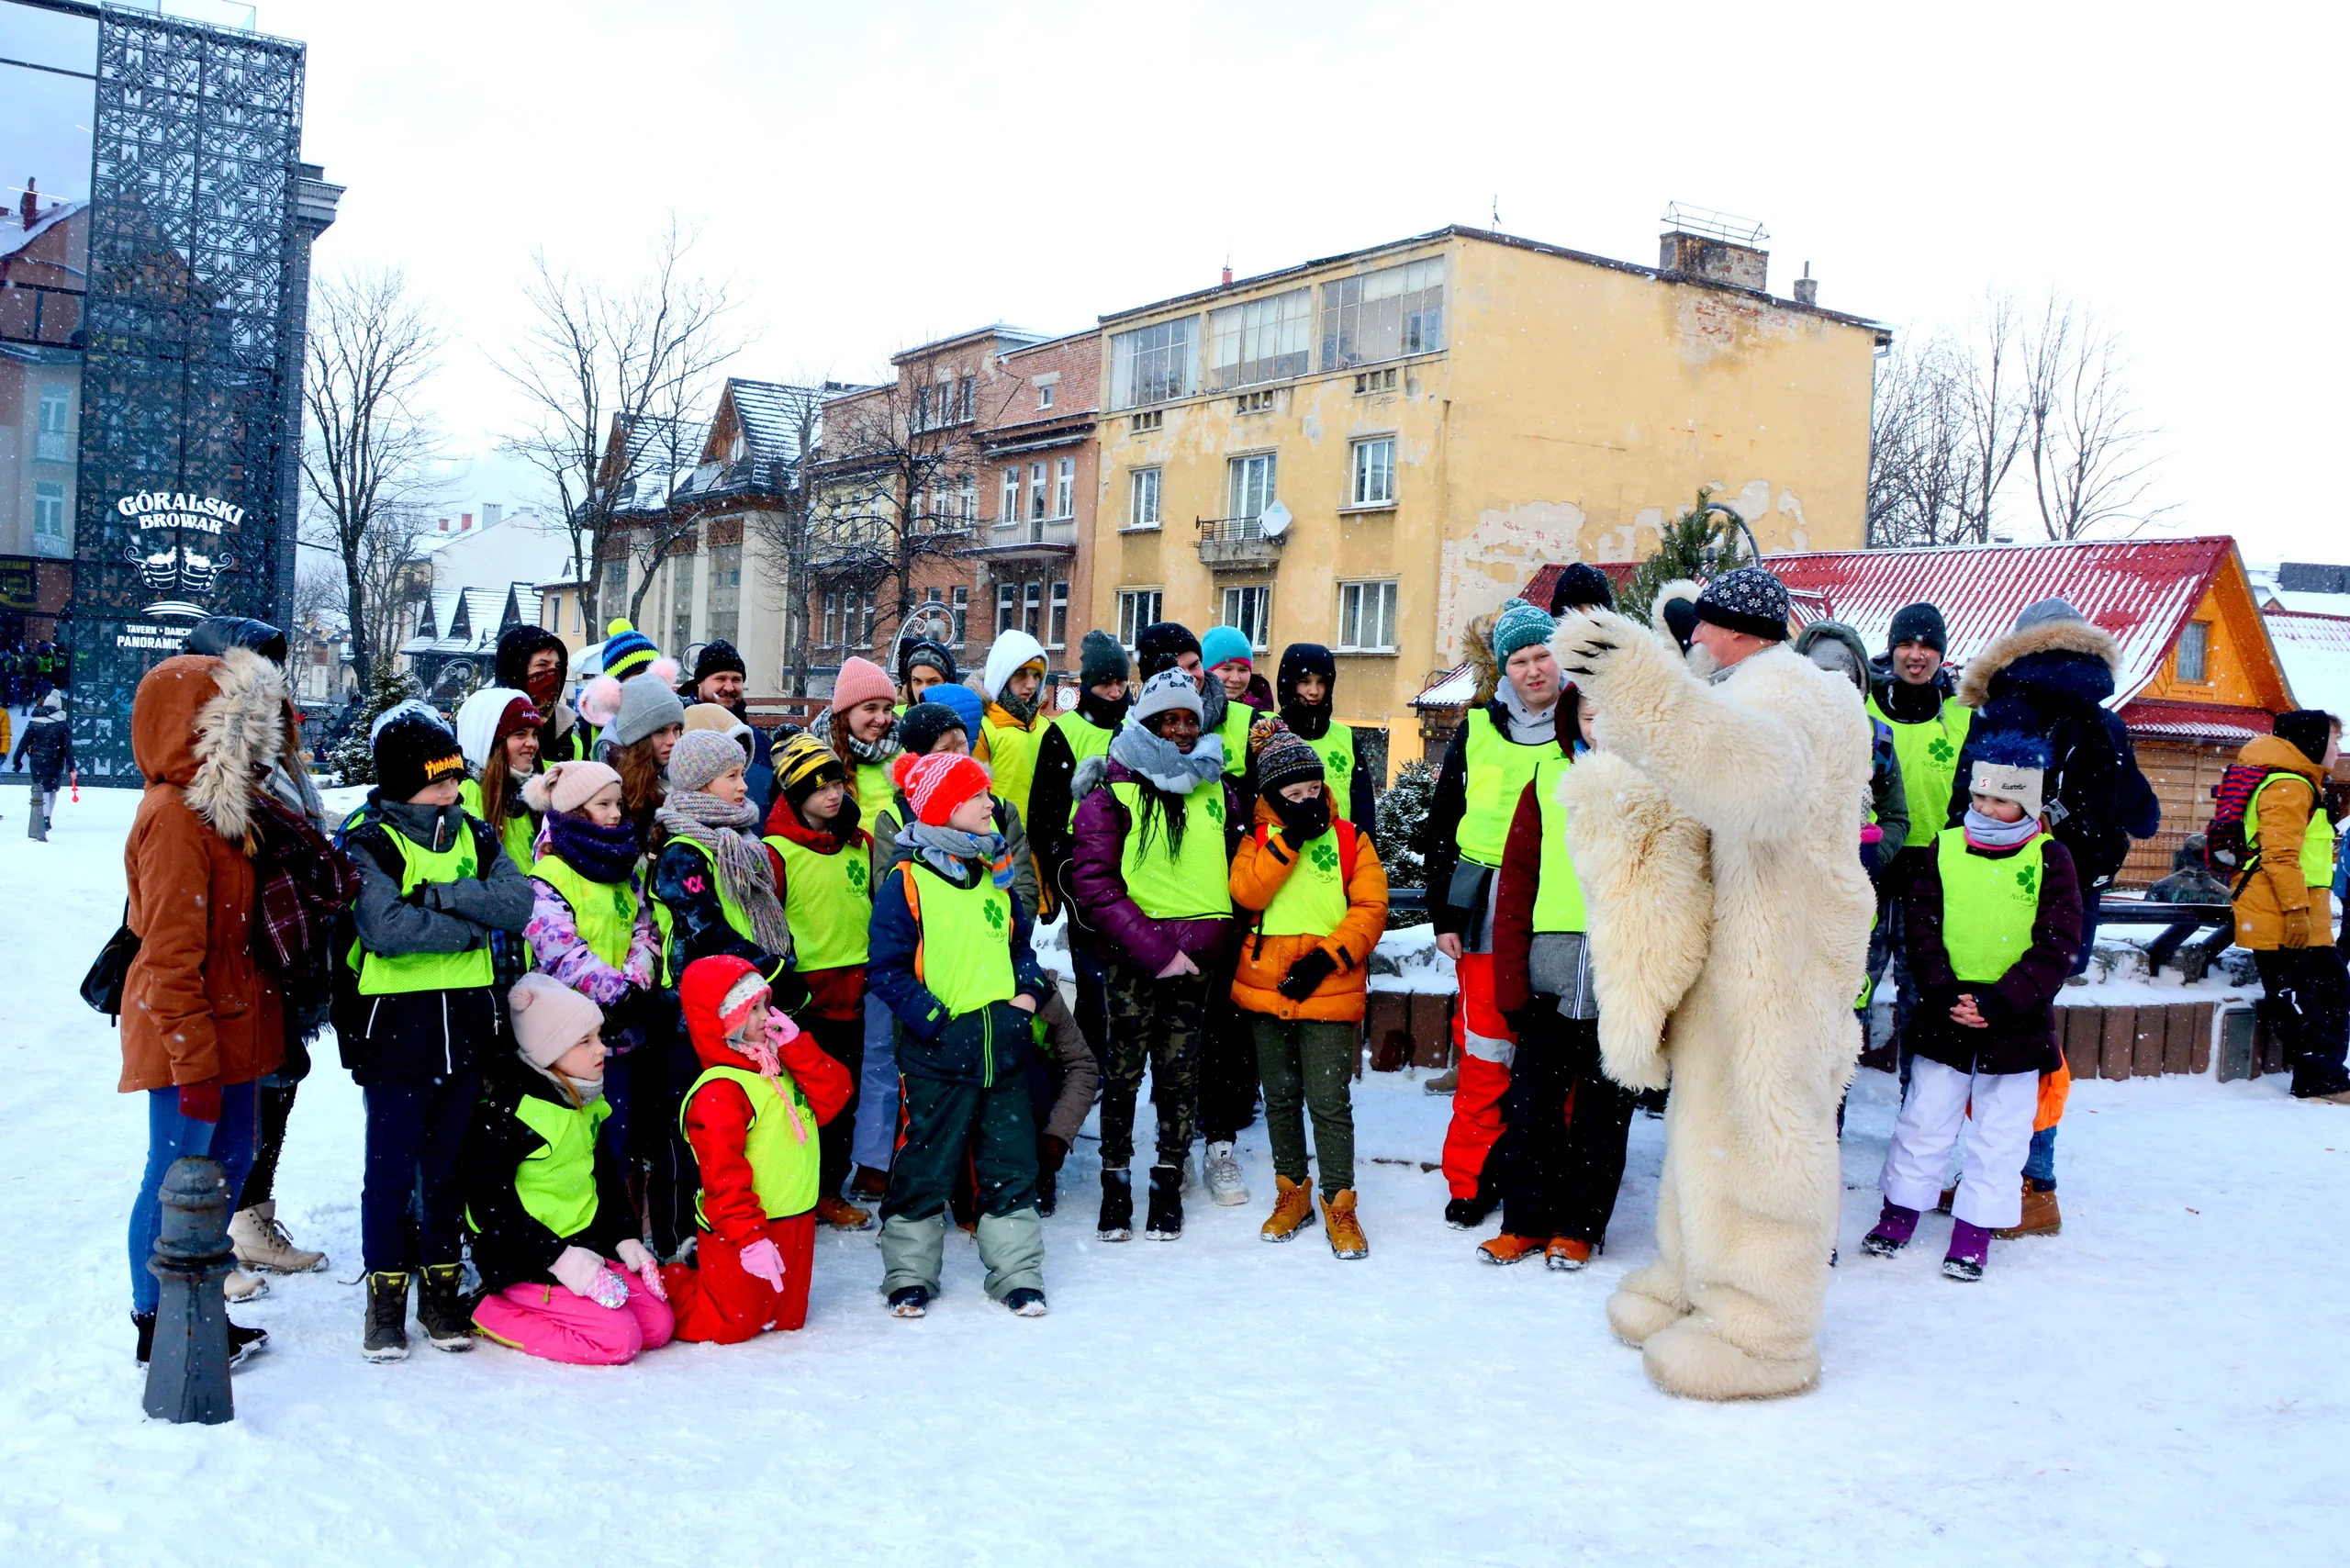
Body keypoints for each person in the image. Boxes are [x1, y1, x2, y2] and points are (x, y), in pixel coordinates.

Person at [1552, 569, 1874, 1399]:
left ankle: (1765, 1331)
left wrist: (1639, 688)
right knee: (1707, 1116)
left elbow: (1754, 784)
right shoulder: (1758, 682)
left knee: (1769, 1126)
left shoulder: (1795, 692)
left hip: (1781, 951)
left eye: (1698, 630)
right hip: (1735, 942)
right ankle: (1697, 1281)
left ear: (1727, 630)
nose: (1690, 641)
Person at [339, 707, 535, 1361]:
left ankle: (443, 1290)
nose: (452, 791)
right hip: (396, 1027)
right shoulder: (371, 839)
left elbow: (517, 904)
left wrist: (446, 899)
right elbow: (386, 930)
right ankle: (386, 1297)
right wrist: (472, 927)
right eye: (436, 782)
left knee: (447, 1165)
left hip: (468, 1023)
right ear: (402, 784)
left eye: (455, 777)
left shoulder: (474, 834)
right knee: (390, 1169)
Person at [1950, 598, 2161, 1196]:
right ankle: (2033, 1177)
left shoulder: (2003, 712)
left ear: (2020, 646)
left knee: (1987, 1028)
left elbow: (1973, 809)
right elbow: (2145, 817)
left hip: (1999, 896)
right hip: (2075, 904)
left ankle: (2002, 1172)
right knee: (2033, 1026)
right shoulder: (2108, 720)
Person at [121, 644, 291, 1368]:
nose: (256, 744)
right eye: (239, 727)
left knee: (221, 1168)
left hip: (232, 1029)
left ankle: (200, 1305)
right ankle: (158, 1323)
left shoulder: (223, 812)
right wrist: (194, 1062)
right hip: (187, 1034)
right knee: (175, 1177)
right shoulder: (172, 819)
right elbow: (168, 957)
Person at [1865, 736, 2083, 1280]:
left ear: (2029, 804)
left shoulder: (2050, 858)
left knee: (2001, 1132)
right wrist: (1944, 990)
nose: (1986, 809)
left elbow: (2057, 942)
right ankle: (1900, 1210)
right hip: (1947, 1010)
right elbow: (1922, 925)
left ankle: (1974, 1229)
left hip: (2016, 1018)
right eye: (1980, 798)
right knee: (1924, 1118)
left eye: (2001, 801)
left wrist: (2000, 999)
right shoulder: (1945, 847)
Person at [867, 748, 1056, 1317]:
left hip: (1004, 1048)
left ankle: (1017, 1274)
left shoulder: (994, 872)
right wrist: (936, 1024)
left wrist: (1026, 1000)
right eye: (975, 796)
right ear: (945, 808)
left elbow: (1020, 945)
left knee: (1010, 1165)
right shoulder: (907, 881)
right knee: (926, 1164)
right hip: (939, 1054)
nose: (988, 804)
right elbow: (887, 970)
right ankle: (908, 1276)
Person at [1070, 666, 1242, 1242]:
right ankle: (1114, 1186)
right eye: (1168, 719)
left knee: (1179, 1074)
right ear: (1146, 721)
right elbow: (1094, 885)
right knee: (1121, 1073)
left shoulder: (1218, 785)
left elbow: (1238, 869)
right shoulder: (1111, 790)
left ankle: (1167, 1183)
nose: (1182, 730)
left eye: (1189, 718)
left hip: (1199, 958)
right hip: (1132, 956)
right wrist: (1154, 948)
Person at [1480, 682, 1636, 1270]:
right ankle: (1524, 1221)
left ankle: (1578, 1226)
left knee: (1602, 1117)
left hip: (1619, 985)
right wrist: (1512, 985)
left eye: (1610, 717)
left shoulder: (1652, 789)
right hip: (1547, 981)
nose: (1598, 728)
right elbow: (1516, 889)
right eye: (1589, 716)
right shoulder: (1547, 784)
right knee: (1532, 1110)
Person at [1420, 598, 1563, 1225]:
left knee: (1556, 1054)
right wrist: (1444, 916)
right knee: (1485, 1050)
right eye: (1521, 660)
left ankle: (1544, 1178)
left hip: (1559, 904)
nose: (1534, 670)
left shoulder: (1586, 727)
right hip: (1484, 906)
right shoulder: (1476, 731)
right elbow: (1442, 827)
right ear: (1505, 669)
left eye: (1543, 655)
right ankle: (1472, 1178)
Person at [1227, 729, 1387, 1259]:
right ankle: (1291, 1192)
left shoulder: (1349, 839)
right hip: (1264, 987)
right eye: (1291, 796)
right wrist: (1288, 840)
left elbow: (1370, 909)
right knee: (1280, 1098)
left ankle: (1340, 1202)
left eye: (1313, 790)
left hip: (1328, 985)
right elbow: (1248, 891)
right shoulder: (1258, 840)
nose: (1305, 802)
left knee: (1328, 1101)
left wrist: (1326, 958)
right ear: (1272, 798)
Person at [463, 974, 676, 1363]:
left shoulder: (585, 1099)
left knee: (657, 1327)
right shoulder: (515, 1115)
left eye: (599, 1037)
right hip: (525, 1258)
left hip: (583, 1247)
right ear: (550, 1052)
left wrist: (626, 1237)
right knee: (619, 1341)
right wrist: (558, 1258)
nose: (602, 1050)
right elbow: (489, 1205)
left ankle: (573, 1296)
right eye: (586, 1041)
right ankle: (490, 1310)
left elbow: (604, 1179)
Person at [661, 955, 856, 1341]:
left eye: (768, 1004)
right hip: (744, 1228)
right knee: (726, 1325)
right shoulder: (721, 1090)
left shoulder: (780, 1064)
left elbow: (836, 1095)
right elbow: (722, 1176)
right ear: (725, 1021)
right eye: (753, 1009)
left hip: (794, 1217)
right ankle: (665, 1285)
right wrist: (749, 1239)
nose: (767, 1017)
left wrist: (797, 1045)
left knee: (785, 1320)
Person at [759, 732, 878, 1229]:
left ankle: (830, 1187)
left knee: (845, 1096)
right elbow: (766, 929)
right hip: (803, 998)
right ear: (793, 794)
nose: (833, 794)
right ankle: (798, 1189)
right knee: (804, 1100)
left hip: (858, 991)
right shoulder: (776, 852)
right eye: (817, 785)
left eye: (836, 782)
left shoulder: (860, 845)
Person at [520, 760, 661, 1162]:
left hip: (619, 1031)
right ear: (577, 810)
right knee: (574, 1143)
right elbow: (560, 950)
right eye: (604, 805)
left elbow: (642, 927)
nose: (617, 813)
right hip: (569, 1035)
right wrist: (617, 991)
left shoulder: (622, 869)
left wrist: (636, 978)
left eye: (618, 803)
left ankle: (614, 1219)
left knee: (615, 1133)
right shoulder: (550, 874)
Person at [1862, 601, 1972, 1066]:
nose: (1916, 654)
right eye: (1905, 644)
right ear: (1891, 650)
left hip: (1931, 874)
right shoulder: (1863, 707)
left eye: (1927, 646)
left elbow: (1971, 798)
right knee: (1853, 983)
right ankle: (1829, 1108)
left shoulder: (1962, 717)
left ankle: (1918, 1111)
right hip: (1868, 866)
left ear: (1942, 655)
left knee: (1922, 990)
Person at [1029, 629, 1131, 1099]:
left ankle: (1123, 1071)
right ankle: (1092, 1073)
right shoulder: (1063, 732)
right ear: (1088, 683)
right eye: (1106, 682)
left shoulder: (1138, 728)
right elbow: (1044, 818)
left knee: (1131, 985)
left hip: (1137, 876)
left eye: (1121, 681)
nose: (1115, 691)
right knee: (1094, 985)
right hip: (1085, 878)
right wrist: (1064, 874)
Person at [2231, 711, 2350, 1103]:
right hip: (2280, 912)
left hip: (2301, 912)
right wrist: (2296, 911)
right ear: (2313, 741)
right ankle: (2320, 1080)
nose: (2338, 748)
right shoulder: (2288, 785)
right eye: (2334, 739)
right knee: (2304, 999)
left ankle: (2326, 1075)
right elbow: (2280, 855)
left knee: (2328, 993)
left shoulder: (2300, 783)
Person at [1274, 643, 1377, 837]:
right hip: (1284, 856)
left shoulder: (1346, 738)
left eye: (1321, 682)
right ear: (1289, 683)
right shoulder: (1270, 732)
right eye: (1305, 681)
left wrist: (1367, 855)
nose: (1314, 691)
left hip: (1340, 854)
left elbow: (1363, 810)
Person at [681, 640, 775, 819]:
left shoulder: (760, 742)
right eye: (720, 678)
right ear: (700, 682)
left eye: (736, 680)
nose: (730, 687)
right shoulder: (679, 733)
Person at [812, 655, 904, 835]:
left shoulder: (905, 754)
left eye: (887, 709)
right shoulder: (817, 758)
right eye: (871, 708)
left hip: (896, 861)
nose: (881, 719)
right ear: (846, 712)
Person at [455, 686, 543, 873]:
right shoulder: (464, 799)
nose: (532, 744)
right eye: (520, 734)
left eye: (535, 734)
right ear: (487, 742)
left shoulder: (531, 792)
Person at [592, 675, 687, 846]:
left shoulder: (684, 780)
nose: (672, 740)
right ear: (637, 738)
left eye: (677, 729)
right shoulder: (606, 788)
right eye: (660, 731)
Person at [979, 629, 1052, 824]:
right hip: (998, 837)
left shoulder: (1045, 725)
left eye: (1036, 675)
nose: (1030, 685)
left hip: (1039, 840)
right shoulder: (982, 727)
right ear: (1002, 675)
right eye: (1021, 674)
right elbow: (971, 795)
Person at [497, 623, 593, 762]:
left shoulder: (571, 734)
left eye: (558, 666)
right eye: (542, 665)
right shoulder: (483, 730)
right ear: (516, 671)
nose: (553, 674)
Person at [1201, 625, 1270, 784]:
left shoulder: (1261, 719)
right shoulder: (1188, 713)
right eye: (1227, 668)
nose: (1236, 678)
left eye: (1243, 670)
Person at [11, 688, 69, 841]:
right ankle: (47, 817)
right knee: (52, 789)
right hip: (56, 761)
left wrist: (17, 761)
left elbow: (23, 743)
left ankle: (43, 816)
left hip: (37, 761)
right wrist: (72, 766)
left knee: (40, 787)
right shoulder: (62, 723)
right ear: (58, 707)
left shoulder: (34, 722)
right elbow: (68, 748)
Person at [899, 638, 957, 708]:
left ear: (948, 683)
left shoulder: (966, 714)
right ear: (909, 685)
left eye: (933, 681)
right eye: (917, 681)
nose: (924, 690)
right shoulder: (890, 715)